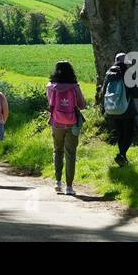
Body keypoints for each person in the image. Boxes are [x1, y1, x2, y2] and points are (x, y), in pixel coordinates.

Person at [47, 60, 86, 195]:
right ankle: (69, 187)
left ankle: (58, 182)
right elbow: (81, 105)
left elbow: (50, 104)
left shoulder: (51, 87)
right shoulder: (74, 87)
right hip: (72, 122)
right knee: (70, 153)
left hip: (56, 122)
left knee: (57, 150)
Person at [102, 51, 138, 166]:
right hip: (126, 109)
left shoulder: (108, 74)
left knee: (120, 133)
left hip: (112, 109)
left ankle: (123, 158)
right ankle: (121, 155)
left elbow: (104, 91)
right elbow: (135, 93)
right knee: (128, 133)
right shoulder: (127, 73)